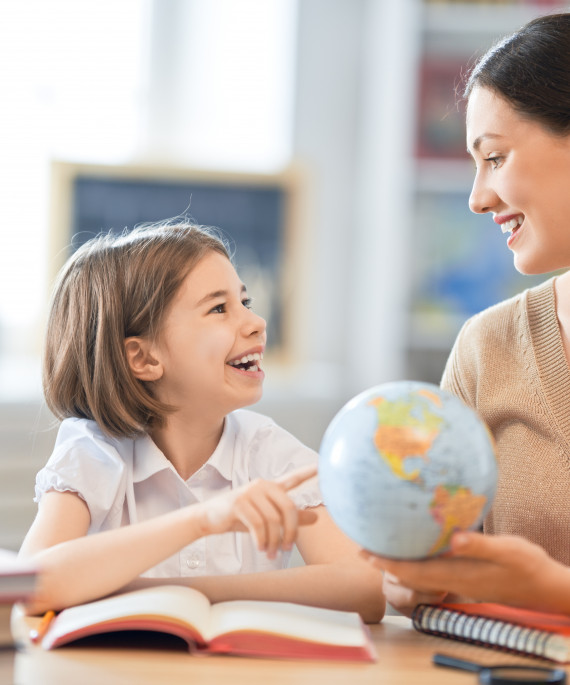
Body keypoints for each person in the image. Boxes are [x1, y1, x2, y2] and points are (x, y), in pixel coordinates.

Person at [20, 221, 385, 622]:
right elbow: (31, 586)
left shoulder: (269, 451)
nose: (256, 322)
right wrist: (200, 520)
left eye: (244, 302)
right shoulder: (94, 451)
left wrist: (169, 593)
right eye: (218, 308)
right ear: (143, 359)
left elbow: (365, 587)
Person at [369, 12, 570, 616]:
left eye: (496, 158)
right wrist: (416, 584)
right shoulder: (489, 346)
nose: (478, 198)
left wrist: (551, 591)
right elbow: (439, 565)